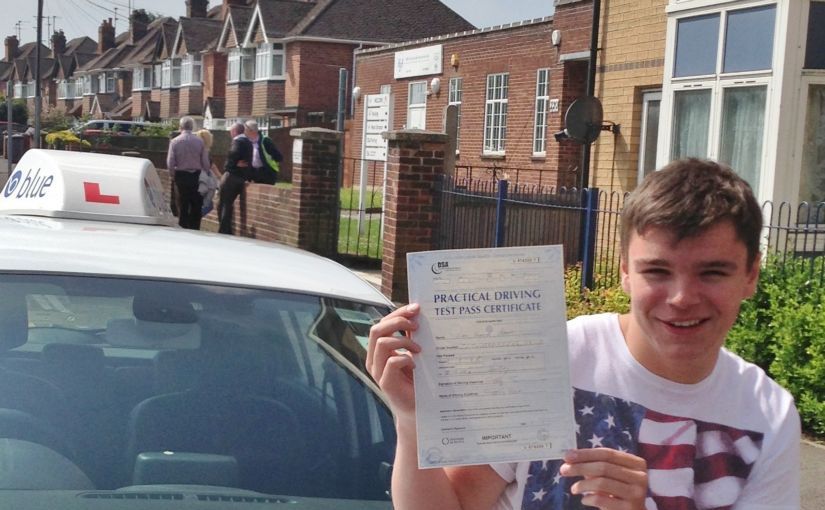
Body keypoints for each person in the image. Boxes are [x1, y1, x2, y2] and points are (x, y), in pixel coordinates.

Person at [367, 158, 800, 510]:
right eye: (657, 271)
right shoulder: (551, 358)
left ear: (751, 275)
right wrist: (413, 422)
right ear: (626, 272)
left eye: (712, 272)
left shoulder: (769, 416)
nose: (683, 298)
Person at [166, 116, 210, 230]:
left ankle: (183, 225)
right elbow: (205, 161)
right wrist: (206, 172)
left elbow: (170, 162)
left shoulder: (175, 142)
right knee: (196, 203)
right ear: (192, 127)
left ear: (180, 127)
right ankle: (195, 227)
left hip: (181, 175)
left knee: (182, 203)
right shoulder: (200, 142)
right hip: (196, 175)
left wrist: (173, 175)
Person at [218, 122, 253, 235]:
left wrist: (229, 165)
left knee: (224, 204)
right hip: (242, 177)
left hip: (232, 177)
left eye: (230, 131)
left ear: (234, 131)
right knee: (228, 204)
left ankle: (224, 230)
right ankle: (226, 229)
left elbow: (232, 156)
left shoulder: (238, 141)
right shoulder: (248, 142)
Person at [244, 119, 283, 185]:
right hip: (253, 174)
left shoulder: (265, 141)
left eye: (245, 129)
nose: (244, 132)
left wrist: (272, 165)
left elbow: (279, 157)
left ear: (251, 130)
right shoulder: (247, 142)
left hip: (266, 173)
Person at [195, 128, 221, 217]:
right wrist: (221, 177)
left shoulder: (195, 150)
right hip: (205, 181)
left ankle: (194, 218)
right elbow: (212, 166)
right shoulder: (205, 152)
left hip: (194, 178)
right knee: (207, 205)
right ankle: (196, 217)